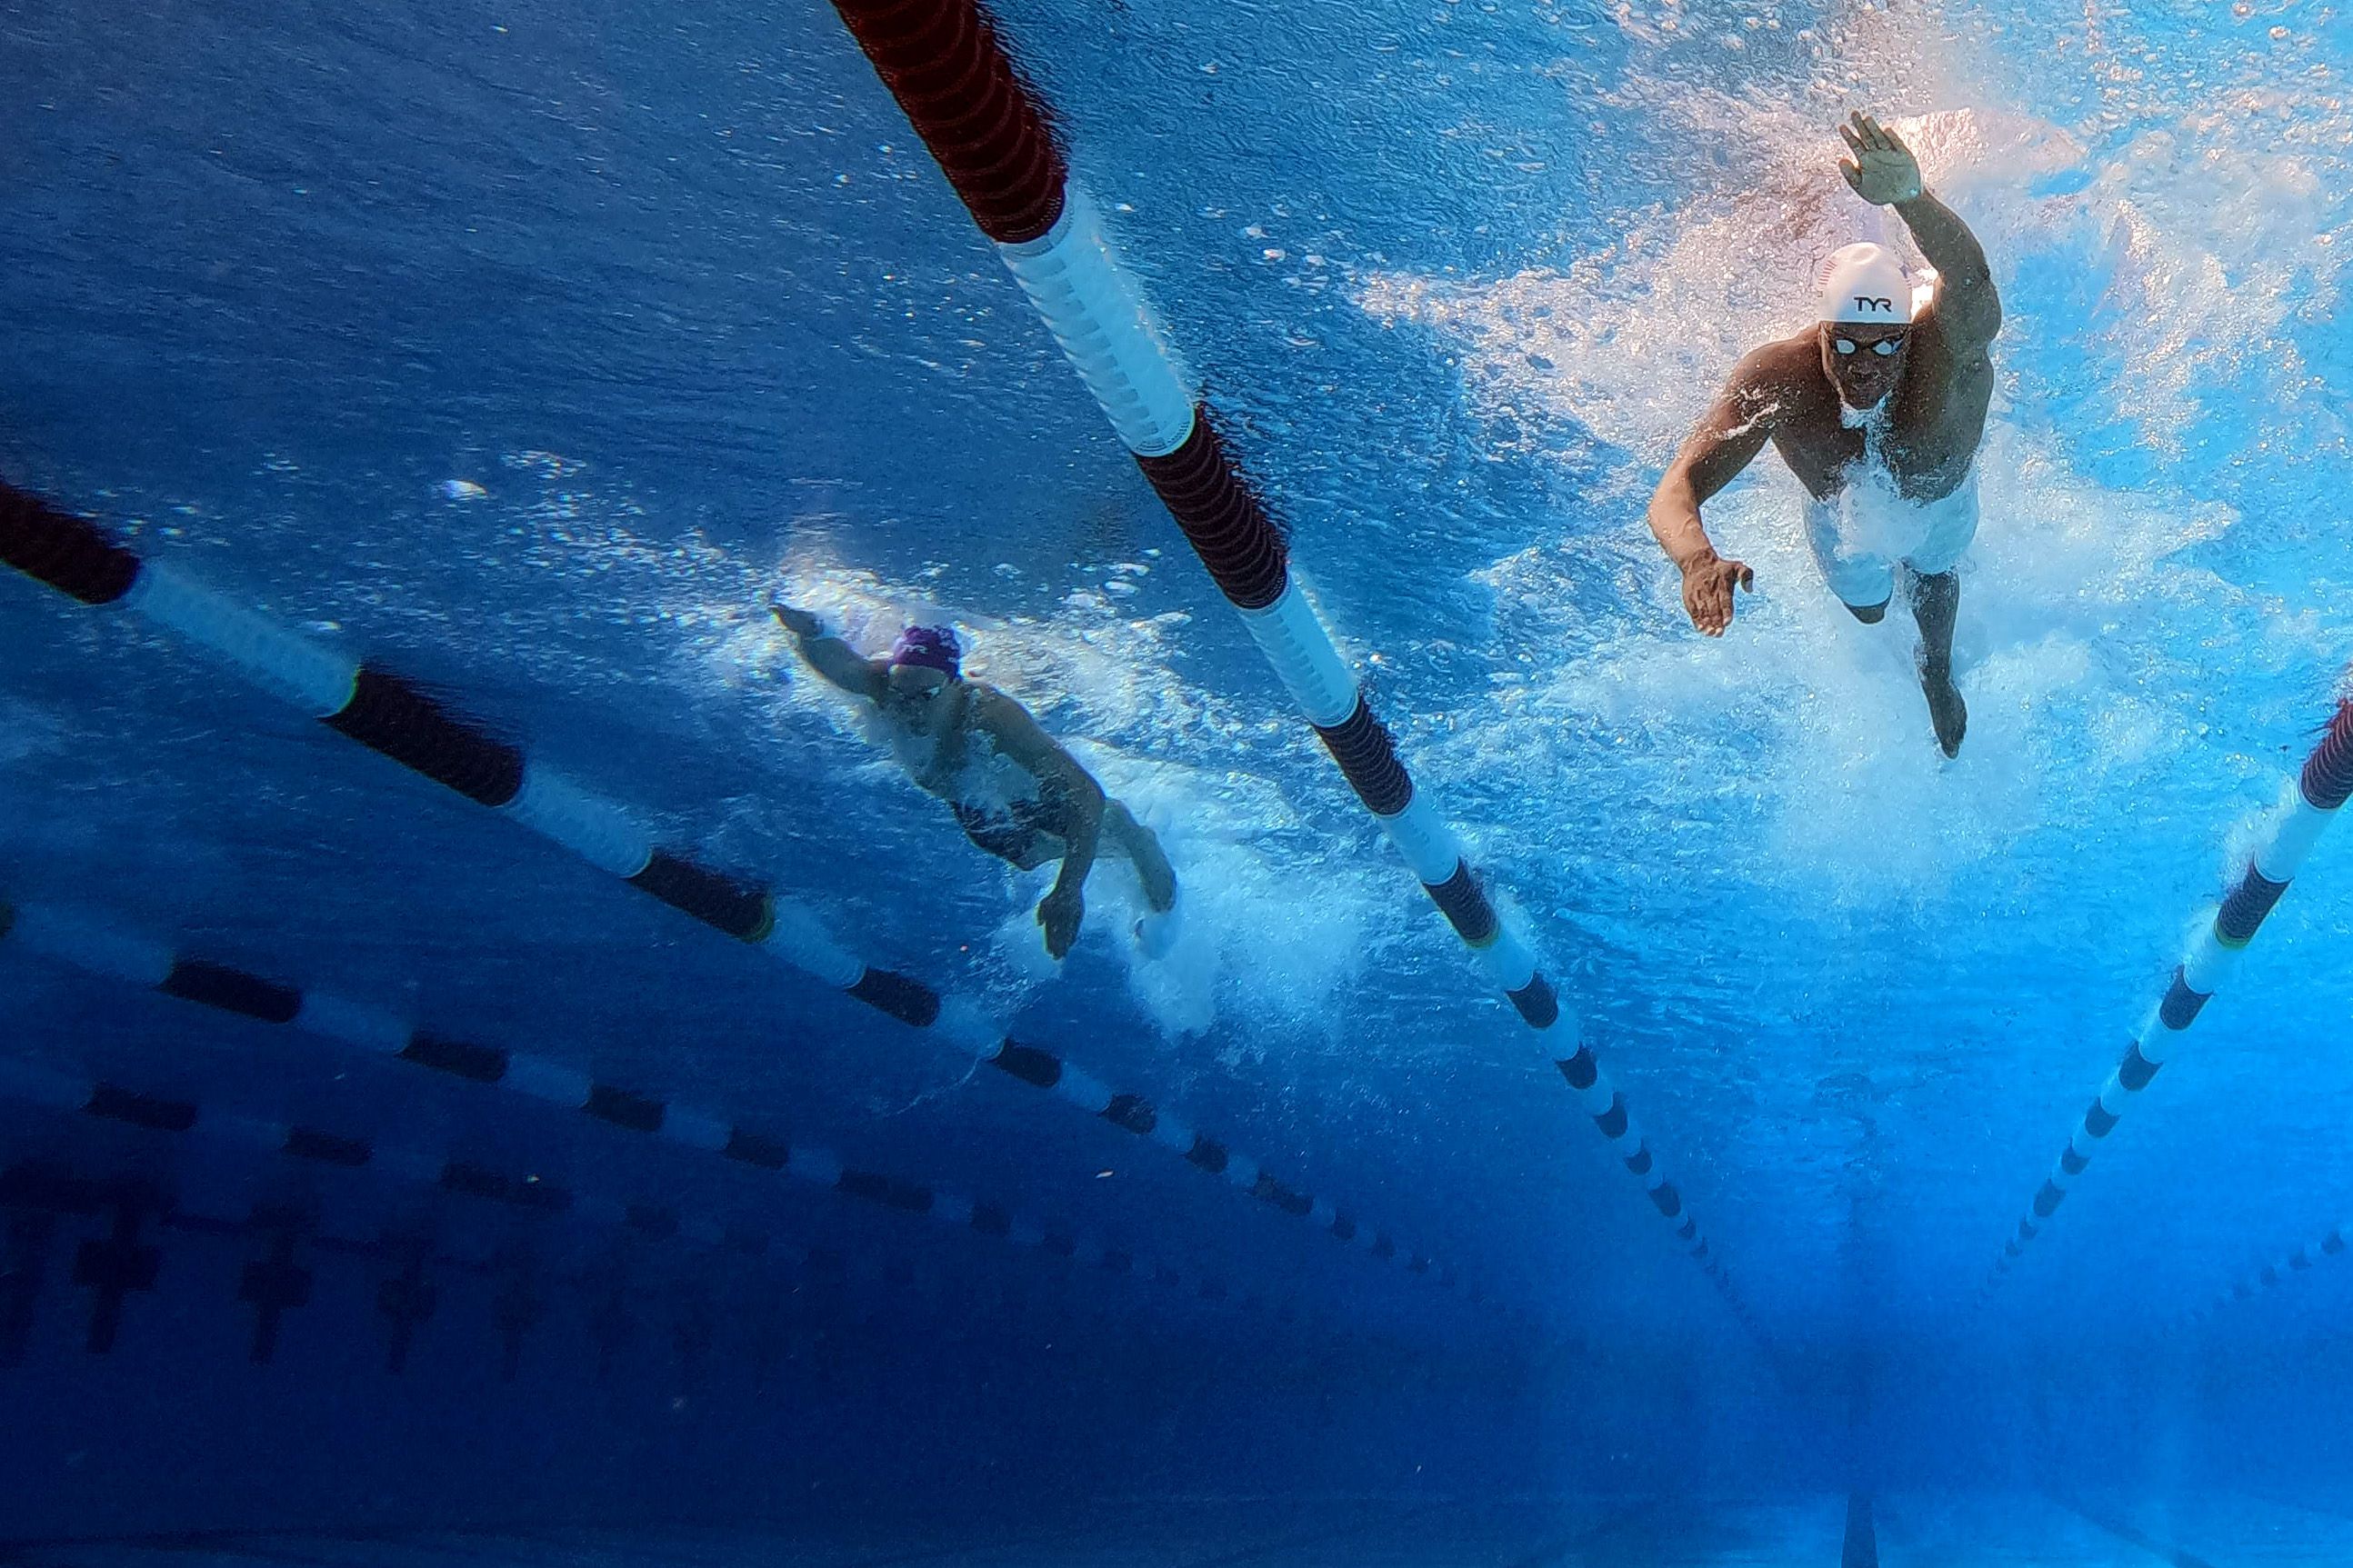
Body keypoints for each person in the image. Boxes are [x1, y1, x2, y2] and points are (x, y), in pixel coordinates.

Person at [1645, 110, 2002, 757]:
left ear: (1909, 335)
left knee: (1935, 577)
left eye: (1885, 347)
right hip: (1842, 517)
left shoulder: (1945, 351)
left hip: (1942, 504)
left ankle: (1937, 671)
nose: (1865, 366)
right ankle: (1892, 622)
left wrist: (1912, 201)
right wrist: (1697, 560)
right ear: (1820, 333)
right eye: (1845, 344)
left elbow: (1972, 282)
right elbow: (1678, 487)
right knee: (1868, 609)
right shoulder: (1783, 378)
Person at [772, 602, 1177, 958]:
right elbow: (843, 665)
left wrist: (1069, 890)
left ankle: (1133, 836)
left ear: (954, 685)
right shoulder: (889, 688)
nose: (909, 708)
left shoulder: (992, 716)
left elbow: (1087, 793)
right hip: (971, 796)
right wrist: (811, 630)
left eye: (925, 696)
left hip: (1032, 793)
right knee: (1027, 857)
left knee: (1088, 826)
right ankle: (1099, 846)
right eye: (901, 692)